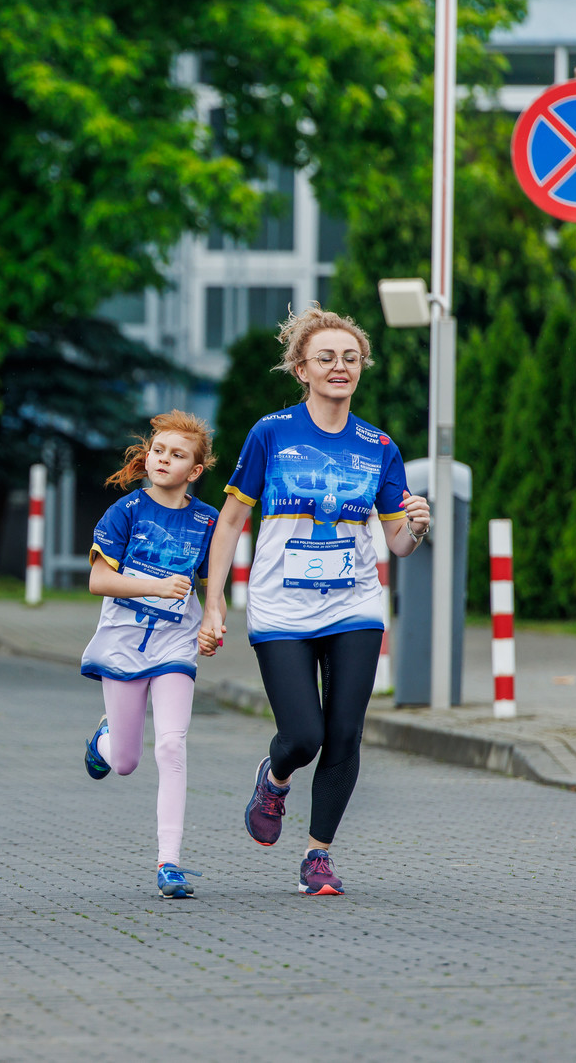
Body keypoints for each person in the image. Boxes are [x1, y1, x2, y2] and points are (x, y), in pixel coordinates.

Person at [197, 305, 430, 896]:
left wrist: (417, 526)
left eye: (350, 359)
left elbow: (397, 542)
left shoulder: (379, 445)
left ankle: (317, 855)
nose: (339, 367)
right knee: (304, 735)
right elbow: (229, 524)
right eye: (326, 358)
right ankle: (274, 778)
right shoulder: (271, 433)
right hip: (280, 608)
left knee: (345, 733)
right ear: (301, 368)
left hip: (354, 604)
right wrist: (216, 600)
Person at [81, 411, 221, 899]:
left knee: (170, 745)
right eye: (159, 451)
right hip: (122, 641)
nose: (164, 460)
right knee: (124, 762)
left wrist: (211, 621)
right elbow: (99, 580)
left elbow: (215, 583)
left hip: (174, 645)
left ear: (195, 470)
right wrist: (158, 587)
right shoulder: (125, 512)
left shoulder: (208, 521)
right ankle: (103, 740)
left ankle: (170, 863)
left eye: (177, 455)